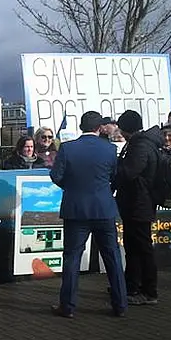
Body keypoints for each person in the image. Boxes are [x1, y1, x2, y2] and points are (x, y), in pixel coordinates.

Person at [49, 111, 127, 318]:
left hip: (76, 210)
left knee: (72, 258)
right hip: (104, 208)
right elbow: (114, 176)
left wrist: (72, 187)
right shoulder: (110, 149)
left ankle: (68, 306)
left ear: (81, 126)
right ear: (99, 127)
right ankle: (120, 304)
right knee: (113, 257)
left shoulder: (67, 148)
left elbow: (56, 176)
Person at [115, 110, 162, 306]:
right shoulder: (139, 143)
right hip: (134, 203)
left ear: (127, 129)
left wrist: (115, 168)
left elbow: (128, 173)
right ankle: (131, 284)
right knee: (132, 247)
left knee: (142, 248)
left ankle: (149, 291)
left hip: (139, 203)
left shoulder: (141, 146)